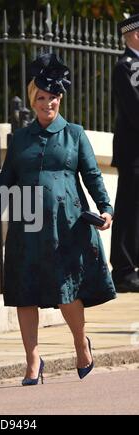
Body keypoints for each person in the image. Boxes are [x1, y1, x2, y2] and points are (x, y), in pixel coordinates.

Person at [0, 53, 116, 385]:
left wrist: (106, 209)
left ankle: (79, 343)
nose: (48, 103)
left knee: (67, 292)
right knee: (24, 293)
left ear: (60, 98)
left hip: (66, 227)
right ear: (33, 100)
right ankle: (32, 360)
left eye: (53, 97)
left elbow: (93, 175)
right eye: (41, 98)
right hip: (27, 229)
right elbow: (4, 186)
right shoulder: (20, 140)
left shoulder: (75, 133)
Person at [110, 14, 139, 293]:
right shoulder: (125, 67)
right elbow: (134, 109)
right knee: (128, 208)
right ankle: (123, 268)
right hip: (133, 152)